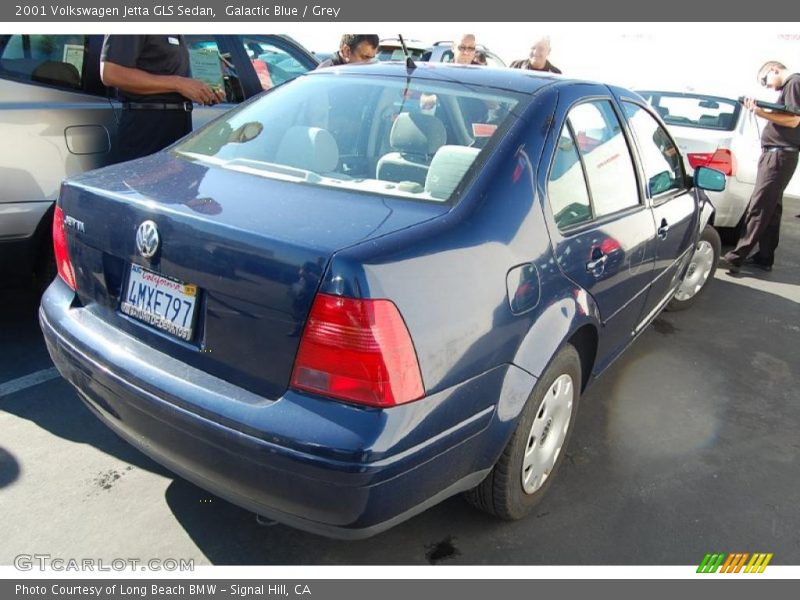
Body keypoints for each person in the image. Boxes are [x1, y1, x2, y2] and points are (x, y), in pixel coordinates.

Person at [723, 61, 800, 273]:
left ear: (774, 69)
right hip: (780, 156)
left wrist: (759, 111)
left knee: (758, 207)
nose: (767, 86)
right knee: (771, 208)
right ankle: (764, 257)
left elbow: (794, 120)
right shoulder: (792, 85)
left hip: (779, 156)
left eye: (765, 81)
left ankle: (735, 257)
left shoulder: (794, 83)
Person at [100, 35, 226, 163]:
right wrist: (178, 84)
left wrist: (203, 91)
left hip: (178, 125)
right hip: (147, 125)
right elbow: (111, 74)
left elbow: (176, 80)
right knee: (146, 181)